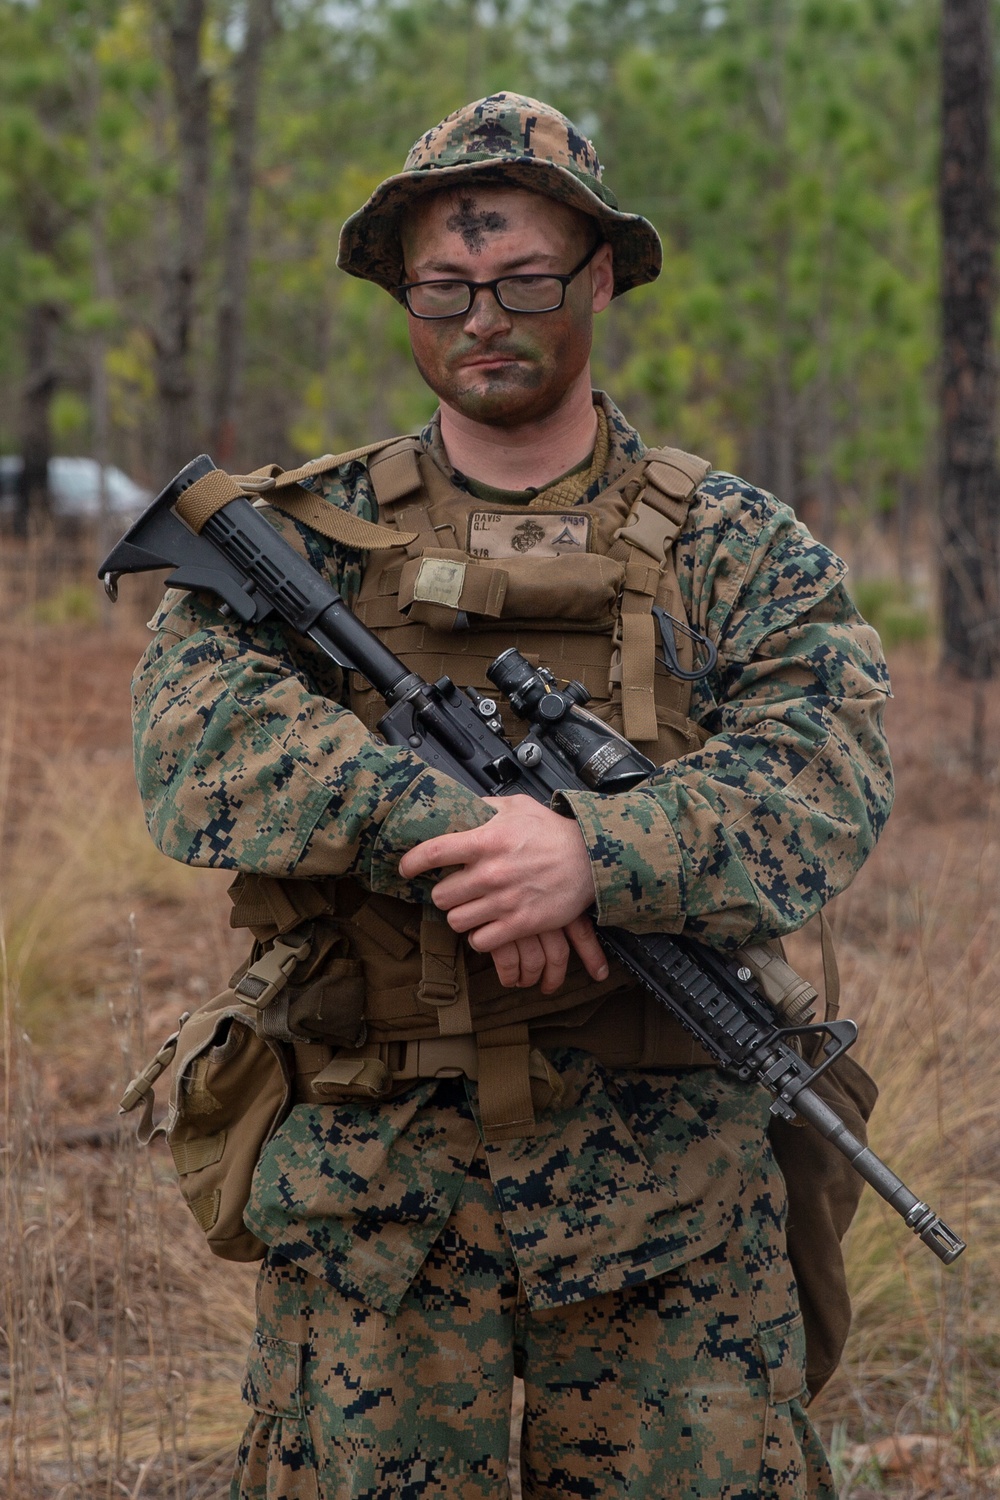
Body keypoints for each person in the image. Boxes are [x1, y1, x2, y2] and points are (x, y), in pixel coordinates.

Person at [132, 93, 893, 1499]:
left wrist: (598, 856)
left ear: (600, 277)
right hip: (380, 1212)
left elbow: (825, 777)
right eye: (446, 288)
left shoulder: (739, 548)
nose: (485, 317)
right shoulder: (302, 537)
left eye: (527, 280)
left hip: (674, 1214)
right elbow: (194, 753)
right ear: (403, 296)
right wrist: (464, 836)